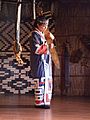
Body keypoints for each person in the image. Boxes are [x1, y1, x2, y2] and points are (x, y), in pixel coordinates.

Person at [30, 16, 55, 109]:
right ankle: (40, 102)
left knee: (46, 81)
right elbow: (36, 49)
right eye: (44, 25)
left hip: (45, 62)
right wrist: (48, 45)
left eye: (46, 26)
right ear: (38, 25)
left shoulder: (41, 34)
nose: (45, 27)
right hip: (39, 62)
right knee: (40, 81)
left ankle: (45, 101)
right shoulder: (34, 35)